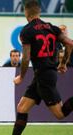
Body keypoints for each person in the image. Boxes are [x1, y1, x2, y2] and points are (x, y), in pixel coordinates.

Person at [12, 1, 73, 135]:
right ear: (39, 12)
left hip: (43, 76)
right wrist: (63, 63)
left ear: (26, 13)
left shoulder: (27, 31)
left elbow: (26, 58)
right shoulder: (52, 27)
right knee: (22, 107)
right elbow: (70, 44)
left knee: (60, 114)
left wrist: (21, 77)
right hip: (43, 76)